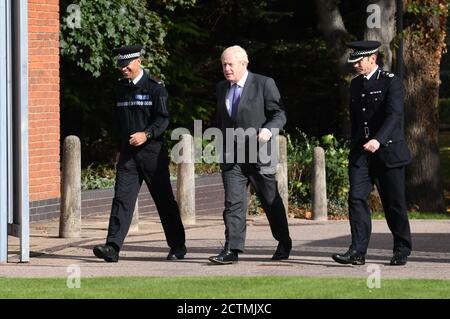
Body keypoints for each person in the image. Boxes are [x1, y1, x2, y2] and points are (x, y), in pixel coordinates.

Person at [93, 44, 186, 262]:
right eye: (120, 65)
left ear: (138, 62)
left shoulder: (156, 88)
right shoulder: (119, 89)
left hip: (152, 153)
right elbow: (117, 122)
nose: (123, 69)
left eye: (126, 65)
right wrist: (118, 149)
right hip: (128, 155)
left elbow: (163, 119)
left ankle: (178, 246)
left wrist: (147, 134)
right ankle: (112, 247)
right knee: (122, 200)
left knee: (164, 201)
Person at [208, 45, 292, 265]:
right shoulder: (221, 88)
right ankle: (232, 249)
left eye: (230, 64)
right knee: (233, 204)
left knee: (270, 201)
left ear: (244, 64)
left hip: (259, 154)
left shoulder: (263, 84)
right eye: (223, 64)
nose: (226, 68)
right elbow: (221, 119)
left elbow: (279, 113)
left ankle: (283, 241)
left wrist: (269, 129)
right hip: (232, 157)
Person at [331, 40, 412, 266]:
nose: (355, 65)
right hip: (361, 153)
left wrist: (379, 139)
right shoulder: (355, 84)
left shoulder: (391, 82)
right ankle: (357, 251)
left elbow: (394, 115)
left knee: (393, 203)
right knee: (356, 197)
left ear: (372, 59)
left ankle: (401, 248)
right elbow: (356, 118)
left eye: (360, 61)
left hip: (388, 151)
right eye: (354, 61)